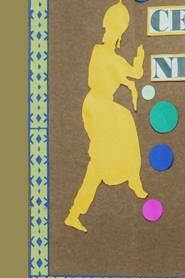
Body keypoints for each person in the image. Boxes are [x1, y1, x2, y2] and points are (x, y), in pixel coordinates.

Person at [65, 0, 147, 233]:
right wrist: (139, 59)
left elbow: (129, 74)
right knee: (112, 142)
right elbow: (134, 73)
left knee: (99, 161)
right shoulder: (104, 55)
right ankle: (133, 177)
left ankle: (74, 213)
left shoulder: (105, 55)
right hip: (99, 107)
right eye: (116, 32)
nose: (116, 36)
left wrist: (134, 68)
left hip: (96, 106)